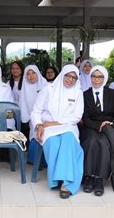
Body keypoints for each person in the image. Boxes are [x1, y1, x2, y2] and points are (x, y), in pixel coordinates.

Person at [31, 64, 84, 199]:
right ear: (62, 74)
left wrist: (56, 122)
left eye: (74, 77)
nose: (70, 80)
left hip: (69, 126)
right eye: (68, 75)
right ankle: (58, 178)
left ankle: (67, 183)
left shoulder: (78, 92)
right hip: (47, 128)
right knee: (54, 143)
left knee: (67, 140)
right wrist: (38, 126)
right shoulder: (48, 89)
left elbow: (77, 116)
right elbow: (36, 111)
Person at [80, 65, 114, 197]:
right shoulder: (85, 94)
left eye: (100, 77)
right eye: (94, 76)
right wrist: (99, 125)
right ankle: (88, 176)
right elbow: (84, 117)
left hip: (108, 127)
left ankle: (100, 178)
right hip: (91, 127)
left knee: (104, 143)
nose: (96, 79)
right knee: (92, 141)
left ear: (104, 78)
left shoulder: (112, 93)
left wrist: (111, 124)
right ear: (90, 77)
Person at [19, 65, 48, 163]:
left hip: (47, 116)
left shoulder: (46, 85)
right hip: (33, 117)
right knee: (34, 129)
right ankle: (35, 161)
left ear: (38, 73)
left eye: (33, 73)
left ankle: (46, 160)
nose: (30, 76)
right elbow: (23, 104)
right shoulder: (25, 87)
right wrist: (28, 117)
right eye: (28, 74)